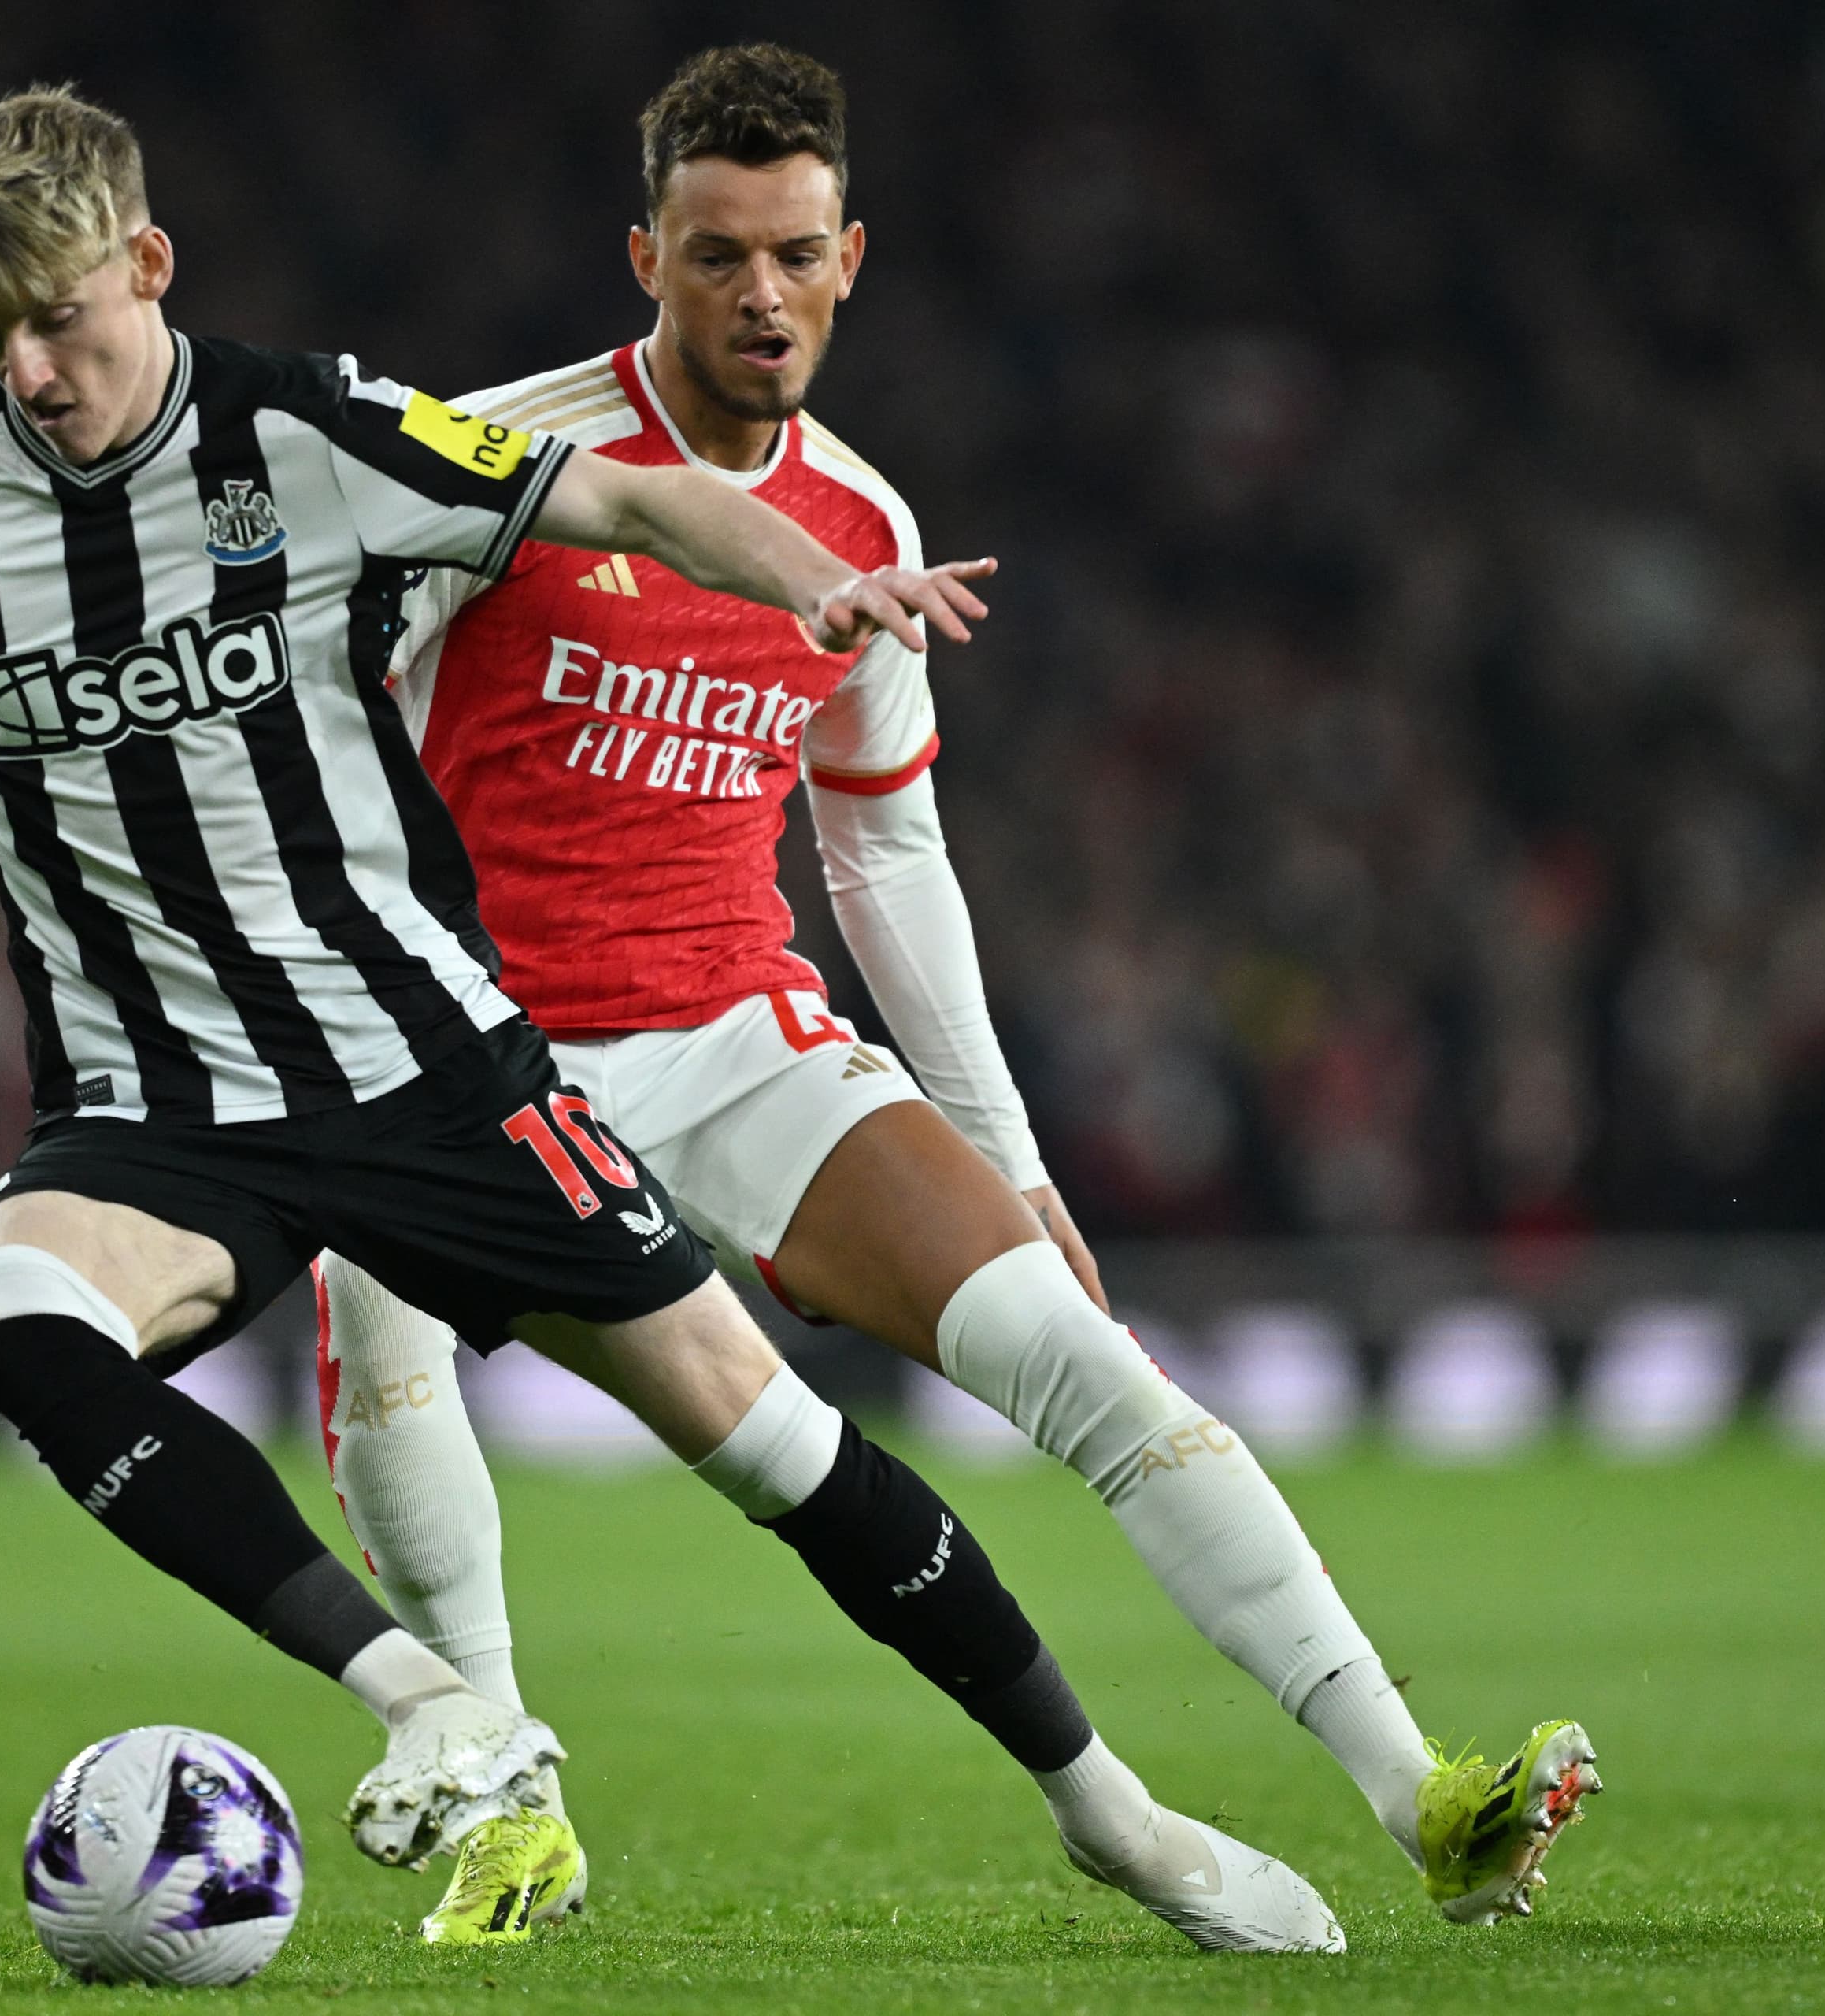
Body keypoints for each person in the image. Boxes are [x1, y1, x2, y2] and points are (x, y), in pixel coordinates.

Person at [0, 83, 1342, 1955]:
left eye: (63, 317)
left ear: (149, 262)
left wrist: (825, 581)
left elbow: (632, 492)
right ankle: (439, 1701)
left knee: (769, 1445)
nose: (31, 371)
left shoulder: (309, 428)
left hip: (423, 1065)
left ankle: (1117, 1812)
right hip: (158, 1099)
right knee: (11, 1318)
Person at [312, 43, 1597, 1947]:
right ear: (644, 255)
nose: (761, 294)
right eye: (717, 253)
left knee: (1089, 1360)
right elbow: (310, 714)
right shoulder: (498, 463)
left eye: (797, 254)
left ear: (854, 261)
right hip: (486, 1048)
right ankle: (512, 1797)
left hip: (743, 1032)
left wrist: (1009, 1153)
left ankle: (1422, 1789)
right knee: (378, 1314)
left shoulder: (866, 525)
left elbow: (884, 852)